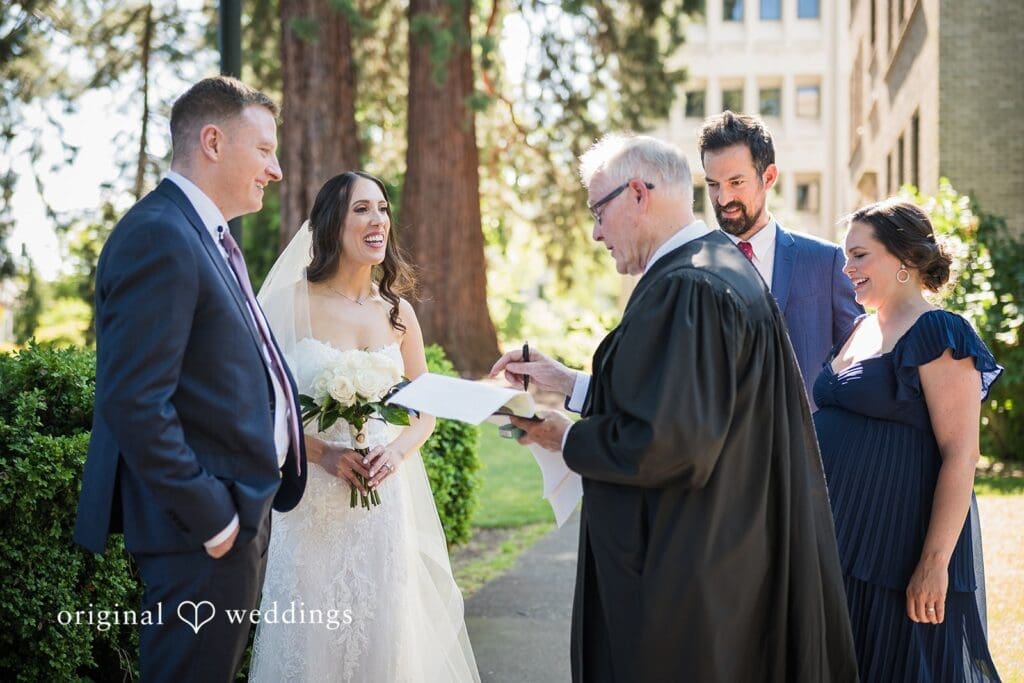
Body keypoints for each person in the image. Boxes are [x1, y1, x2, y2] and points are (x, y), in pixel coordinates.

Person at [492, 133, 858, 682]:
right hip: (726, 553)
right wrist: (566, 382)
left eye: (598, 211)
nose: (595, 232)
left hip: (692, 580)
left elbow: (669, 443)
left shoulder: (690, 287)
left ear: (638, 193)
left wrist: (563, 438)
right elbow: (685, 398)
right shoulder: (712, 268)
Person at [73, 76, 307, 682]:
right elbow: (133, 401)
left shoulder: (205, 234)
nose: (275, 170)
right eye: (263, 150)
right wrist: (215, 519)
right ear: (211, 141)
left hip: (233, 517)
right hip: (199, 535)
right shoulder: (160, 234)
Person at [249, 171, 479, 682]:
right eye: (362, 209)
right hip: (310, 505)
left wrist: (395, 454)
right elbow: (258, 409)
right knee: (310, 642)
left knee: (382, 638)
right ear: (332, 223)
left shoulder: (397, 313)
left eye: (382, 208)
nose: (378, 219)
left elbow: (424, 411)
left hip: (382, 506)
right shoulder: (287, 305)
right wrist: (322, 453)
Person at [813, 199, 1003, 681]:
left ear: (903, 260)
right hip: (838, 538)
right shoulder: (859, 328)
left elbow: (961, 455)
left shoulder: (939, 331)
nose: (847, 267)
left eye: (860, 255)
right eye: (846, 256)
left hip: (894, 548)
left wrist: (934, 563)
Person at [698, 111, 862, 407]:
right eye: (713, 185)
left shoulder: (826, 262)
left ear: (769, 176)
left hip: (810, 446)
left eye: (736, 182)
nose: (723, 199)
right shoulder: (692, 266)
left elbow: (858, 366)